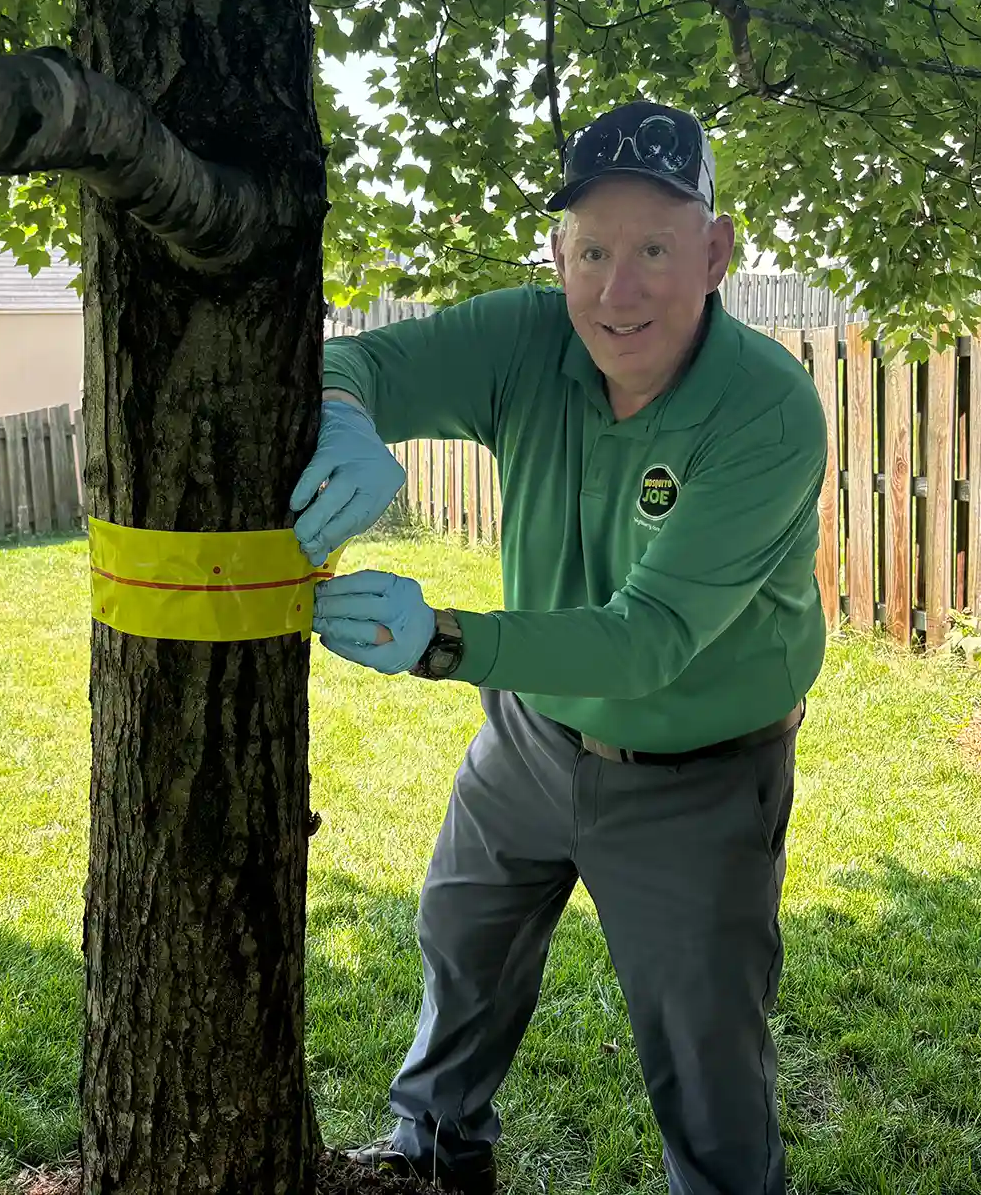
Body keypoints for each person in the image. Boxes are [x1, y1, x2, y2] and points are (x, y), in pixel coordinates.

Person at [290, 100, 828, 1195]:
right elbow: (360, 364)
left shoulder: (764, 410)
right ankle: (433, 1160)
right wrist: (345, 416)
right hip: (532, 739)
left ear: (716, 254)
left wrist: (445, 640)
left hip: (699, 775)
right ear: (558, 253)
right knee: (461, 938)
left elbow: (650, 642)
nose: (615, 291)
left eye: (653, 251)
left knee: (704, 1048)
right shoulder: (531, 338)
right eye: (591, 251)